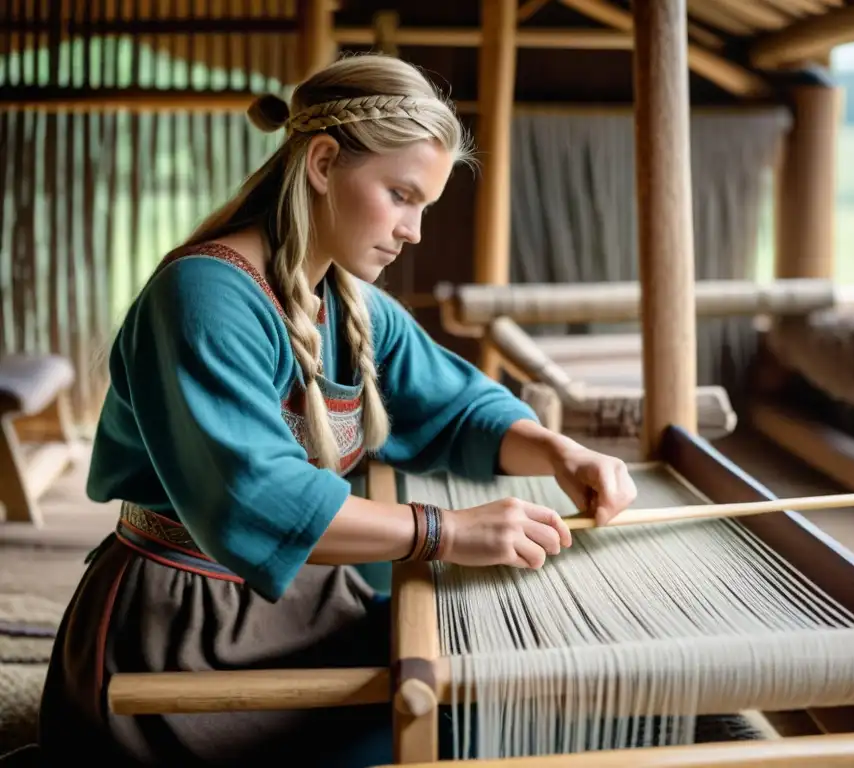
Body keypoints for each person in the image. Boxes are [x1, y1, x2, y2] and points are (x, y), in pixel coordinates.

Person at [34, 52, 637, 767]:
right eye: (401, 194)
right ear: (322, 162)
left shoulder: (353, 306)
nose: (413, 229)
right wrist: (446, 531)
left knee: (491, 678)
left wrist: (561, 452)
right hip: (184, 633)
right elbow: (258, 499)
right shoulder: (203, 296)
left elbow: (461, 406)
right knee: (451, 730)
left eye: (424, 207)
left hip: (308, 603)